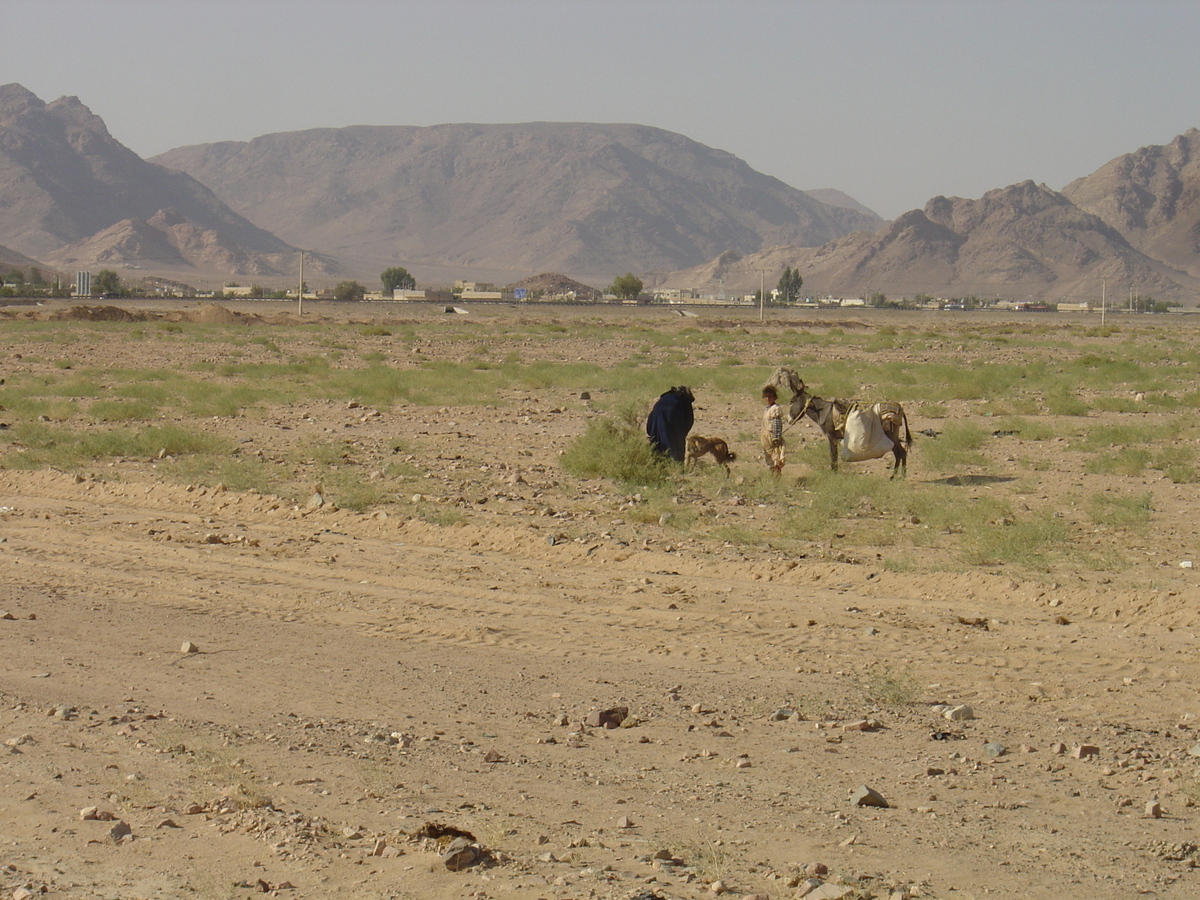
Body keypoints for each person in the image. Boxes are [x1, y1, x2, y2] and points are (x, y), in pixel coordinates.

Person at [646, 385, 695, 463]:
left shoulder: (662, 401)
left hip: (657, 426)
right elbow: (689, 421)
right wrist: (681, 435)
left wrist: (652, 432)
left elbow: (650, 423)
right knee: (674, 449)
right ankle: (676, 468)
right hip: (674, 425)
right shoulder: (683, 401)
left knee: (657, 449)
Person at [761, 384, 785, 475]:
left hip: (772, 436)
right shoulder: (767, 409)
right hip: (765, 437)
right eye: (766, 397)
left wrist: (776, 437)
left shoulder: (775, 409)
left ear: (774, 397)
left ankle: (777, 478)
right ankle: (772, 476)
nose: (768, 399)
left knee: (776, 458)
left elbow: (777, 424)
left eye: (770, 397)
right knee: (769, 459)